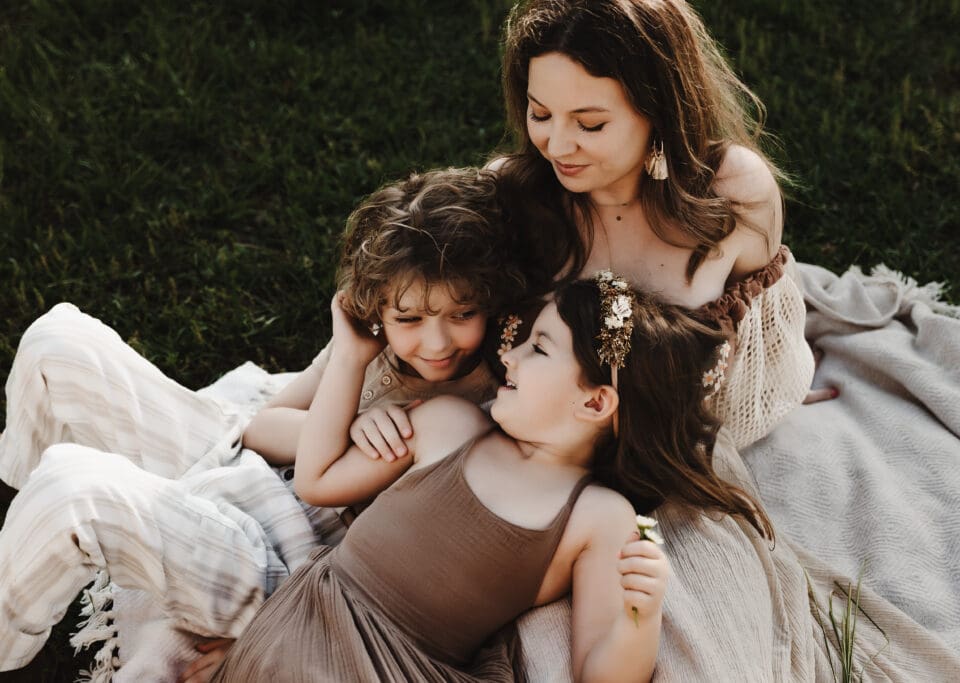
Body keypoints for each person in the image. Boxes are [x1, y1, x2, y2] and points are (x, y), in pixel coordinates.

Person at [0, 167, 528, 672]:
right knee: (57, 341)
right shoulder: (375, 349)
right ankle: (19, 531)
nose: (435, 342)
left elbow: (321, 486)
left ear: (492, 300)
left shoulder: (473, 409)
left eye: (461, 315)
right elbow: (260, 427)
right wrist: (347, 416)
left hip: (283, 556)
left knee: (74, 487)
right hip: (246, 472)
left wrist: (345, 411)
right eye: (409, 319)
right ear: (377, 310)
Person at [177, 274, 771, 682]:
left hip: (399, 665)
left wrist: (641, 617)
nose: (507, 358)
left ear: (595, 404)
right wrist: (355, 390)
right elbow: (309, 470)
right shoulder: (448, 425)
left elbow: (600, 672)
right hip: (299, 625)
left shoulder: (597, 517)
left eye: (538, 348)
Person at [494, 0, 824, 450]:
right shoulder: (511, 196)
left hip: (671, 456)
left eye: (590, 124)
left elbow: (764, 332)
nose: (556, 146)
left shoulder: (733, 192)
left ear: (660, 113)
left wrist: (778, 393)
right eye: (540, 114)